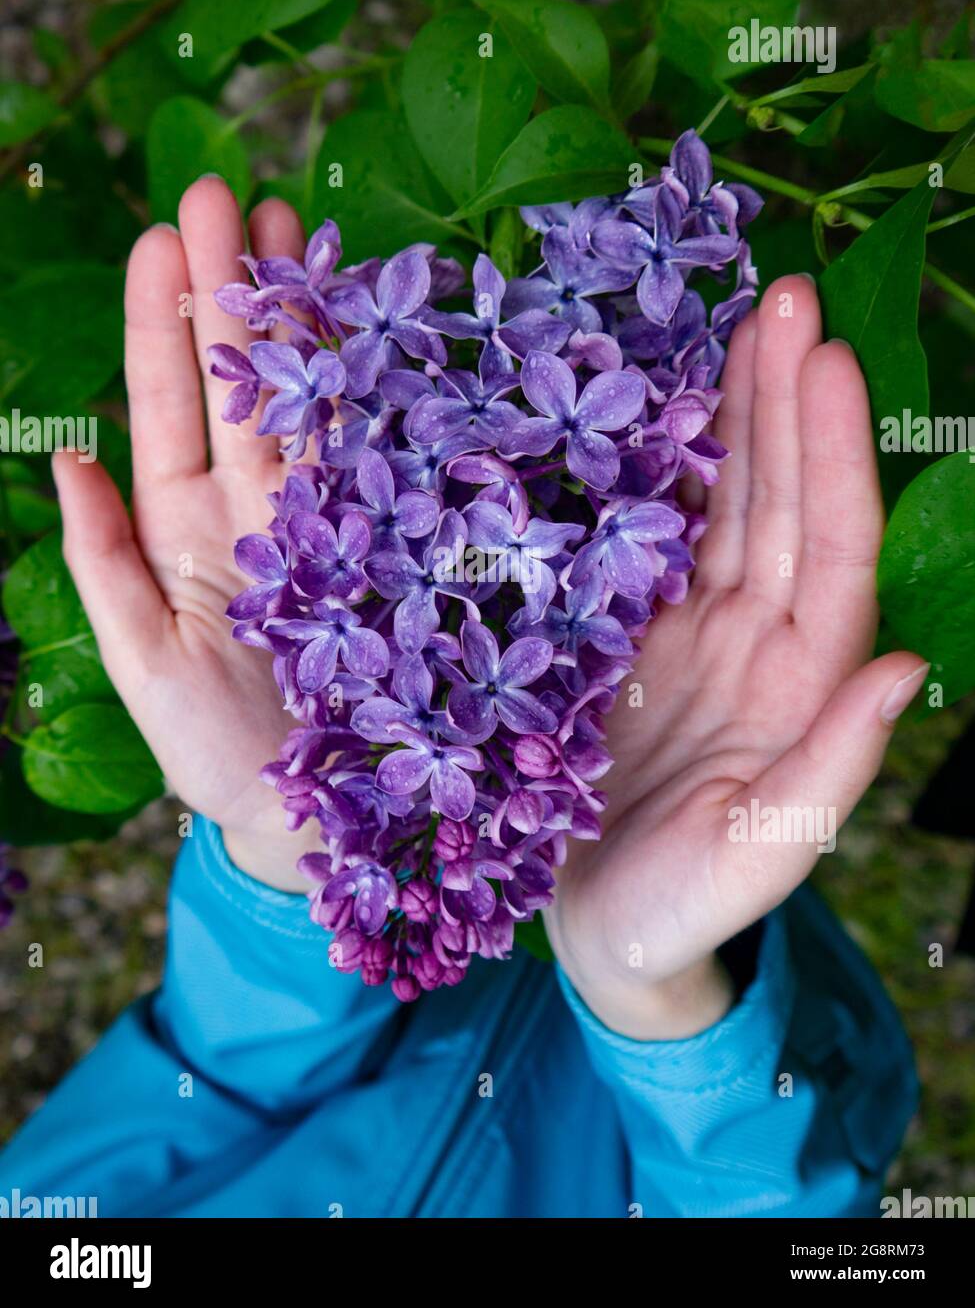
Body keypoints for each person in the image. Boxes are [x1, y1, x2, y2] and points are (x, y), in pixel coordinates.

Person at [0, 177, 925, 1218]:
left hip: (504, 721)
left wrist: (283, 857)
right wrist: (658, 1004)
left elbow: (206, 1077)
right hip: (646, 855)